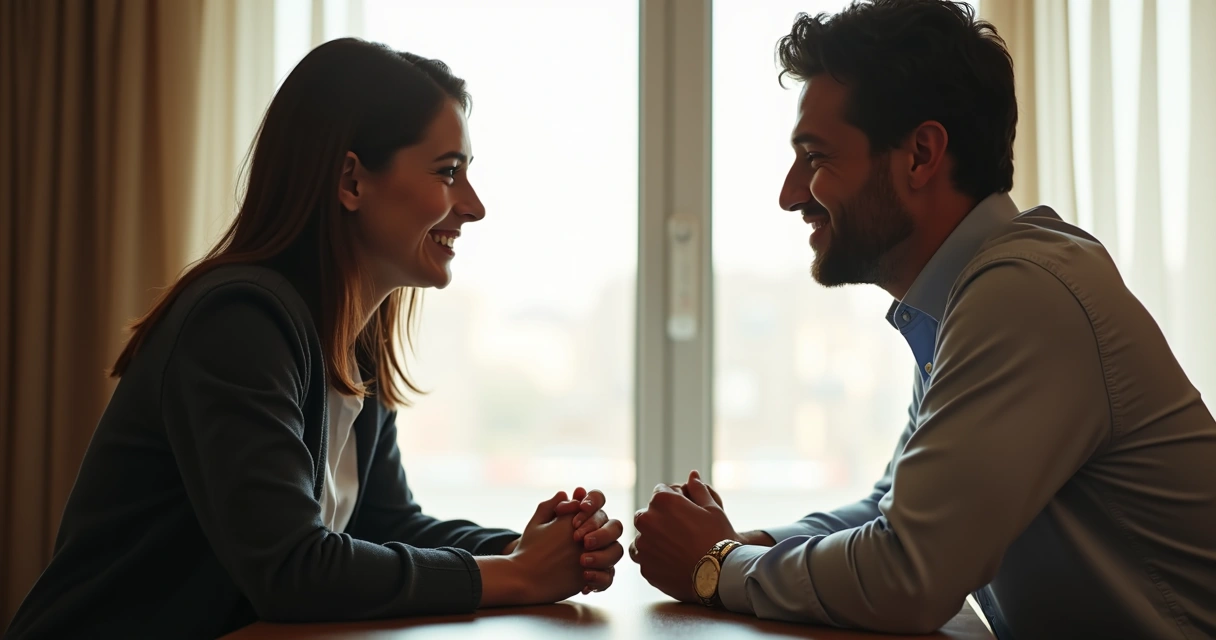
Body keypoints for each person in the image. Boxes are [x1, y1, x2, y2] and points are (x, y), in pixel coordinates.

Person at [630, 1, 1216, 638]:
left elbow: (907, 577)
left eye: (817, 157)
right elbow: (890, 512)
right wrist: (741, 544)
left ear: (920, 154)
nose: (790, 193)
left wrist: (719, 566)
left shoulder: (1022, 295)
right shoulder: (965, 297)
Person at [6, 38, 624, 639]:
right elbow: (293, 570)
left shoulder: (352, 339)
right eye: (449, 172)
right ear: (351, 180)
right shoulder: (239, 322)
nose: (475, 205)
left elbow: (386, 522)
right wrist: (515, 575)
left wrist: (526, 546)